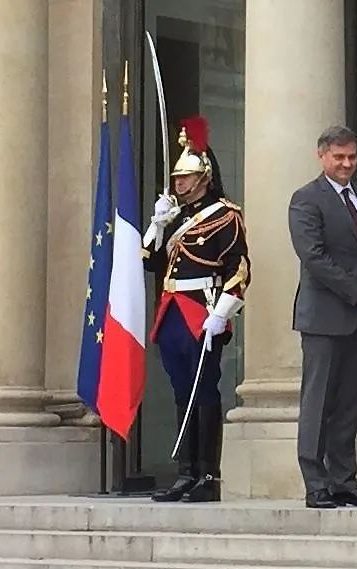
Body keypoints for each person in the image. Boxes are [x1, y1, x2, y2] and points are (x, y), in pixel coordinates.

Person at [142, 115, 251, 503]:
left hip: (204, 308)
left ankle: (208, 475)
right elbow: (150, 261)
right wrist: (157, 225)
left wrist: (222, 313)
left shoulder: (224, 215)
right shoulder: (176, 216)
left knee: (203, 390)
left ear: (204, 177)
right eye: (176, 178)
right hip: (172, 308)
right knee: (180, 389)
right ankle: (185, 473)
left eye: (185, 178)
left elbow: (238, 269)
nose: (178, 183)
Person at [288, 125, 357, 509]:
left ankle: (345, 481)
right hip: (323, 316)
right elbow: (314, 257)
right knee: (319, 402)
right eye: (339, 158)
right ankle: (316, 483)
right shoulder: (306, 199)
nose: (346, 164)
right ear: (322, 156)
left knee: (348, 404)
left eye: (352, 158)